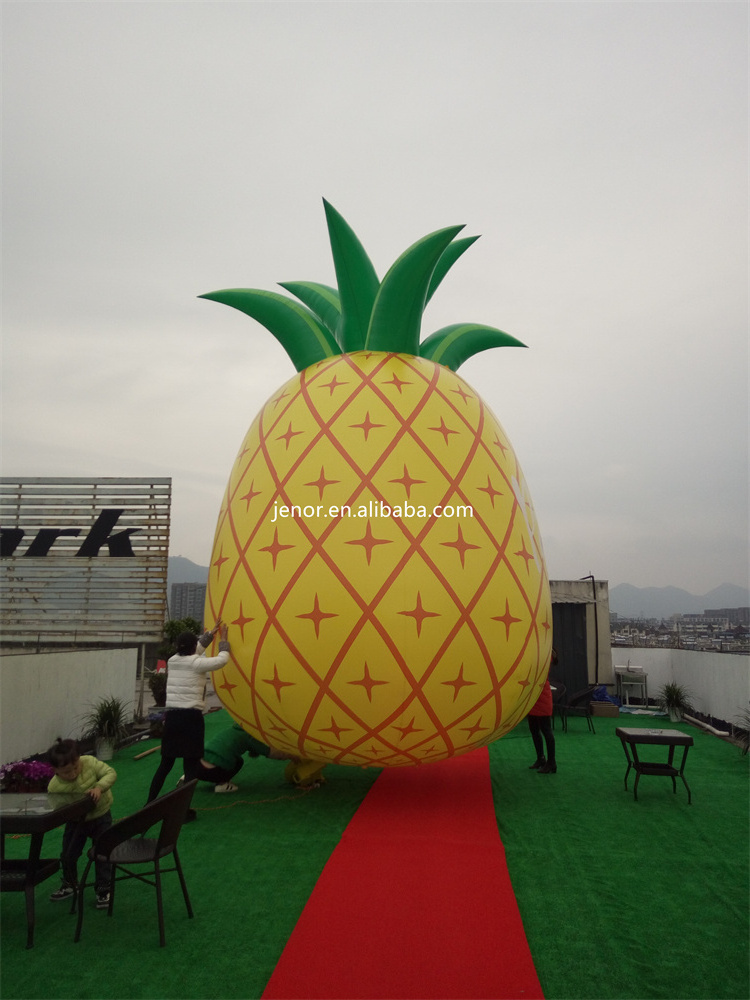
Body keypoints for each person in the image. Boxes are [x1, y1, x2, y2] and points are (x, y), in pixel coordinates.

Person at [147, 621, 230, 806]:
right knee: (191, 767)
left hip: (172, 718)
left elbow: (195, 650)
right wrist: (223, 640)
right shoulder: (196, 664)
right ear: (193, 646)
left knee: (165, 765)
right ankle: (183, 810)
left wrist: (210, 635)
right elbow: (222, 660)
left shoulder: (172, 661)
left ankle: (149, 803)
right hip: (191, 719)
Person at [46, 738, 117, 909]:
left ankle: (103, 889)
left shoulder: (90, 762)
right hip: (76, 823)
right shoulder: (54, 787)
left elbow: (110, 773)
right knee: (68, 854)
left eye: (75, 768)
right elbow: (58, 809)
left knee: (103, 852)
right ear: (55, 770)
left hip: (101, 815)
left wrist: (99, 787)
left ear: (79, 759)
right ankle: (70, 884)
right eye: (66, 772)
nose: (72, 774)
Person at [186, 722, 299, 792]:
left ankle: (187, 777)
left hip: (196, 766)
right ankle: (222, 784)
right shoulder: (248, 735)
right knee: (238, 762)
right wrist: (291, 755)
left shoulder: (232, 730)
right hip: (212, 772)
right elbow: (270, 752)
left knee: (211, 756)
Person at [527, 654, 557, 774]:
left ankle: (552, 762)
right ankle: (541, 758)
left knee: (546, 730)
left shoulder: (545, 651)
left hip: (542, 695)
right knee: (534, 729)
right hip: (533, 695)